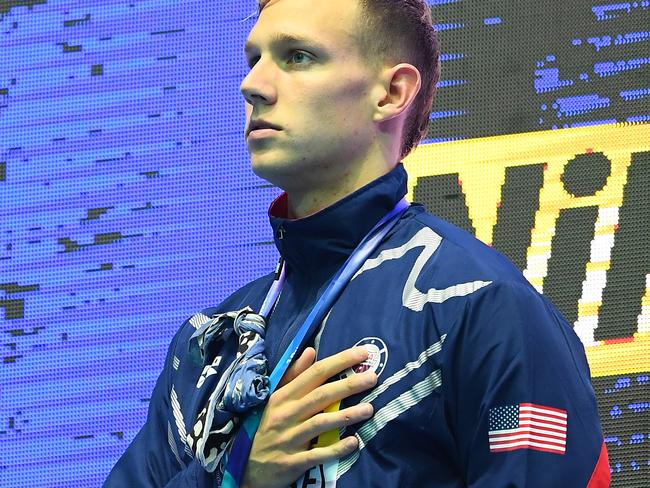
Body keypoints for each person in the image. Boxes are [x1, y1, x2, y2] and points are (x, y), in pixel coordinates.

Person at [105, 0, 611, 486]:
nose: (253, 85)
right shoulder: (206, 350)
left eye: (298, 57)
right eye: (254, 58)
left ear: (390, 93)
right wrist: (237, 473)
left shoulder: (479, 306)